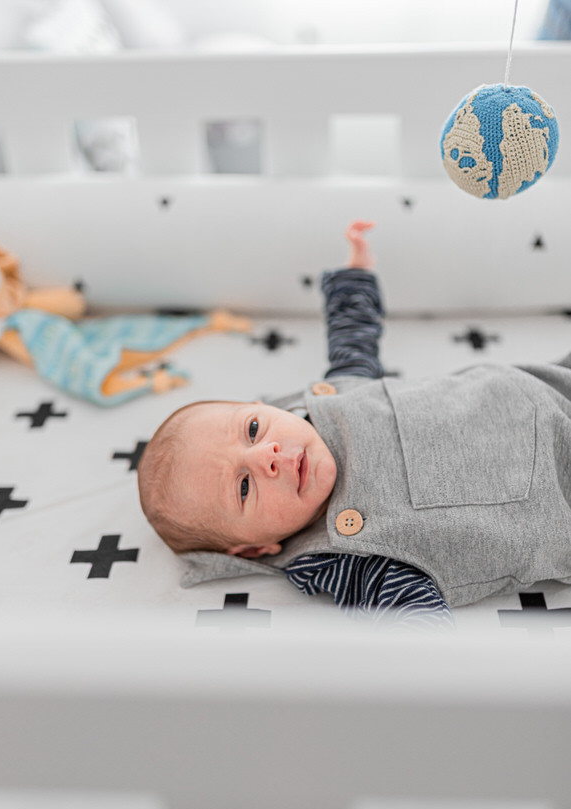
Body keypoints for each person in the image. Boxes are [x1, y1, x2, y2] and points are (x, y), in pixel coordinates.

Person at [137, 221, 571, 631]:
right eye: (245, 487)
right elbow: (402, 607)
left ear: (262, 407)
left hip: (548, 385)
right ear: (255, 548)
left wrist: (354, 276)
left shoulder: (333, 399)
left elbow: (353, 340)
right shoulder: (343, 558)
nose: (266, 455)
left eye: (252, 430)